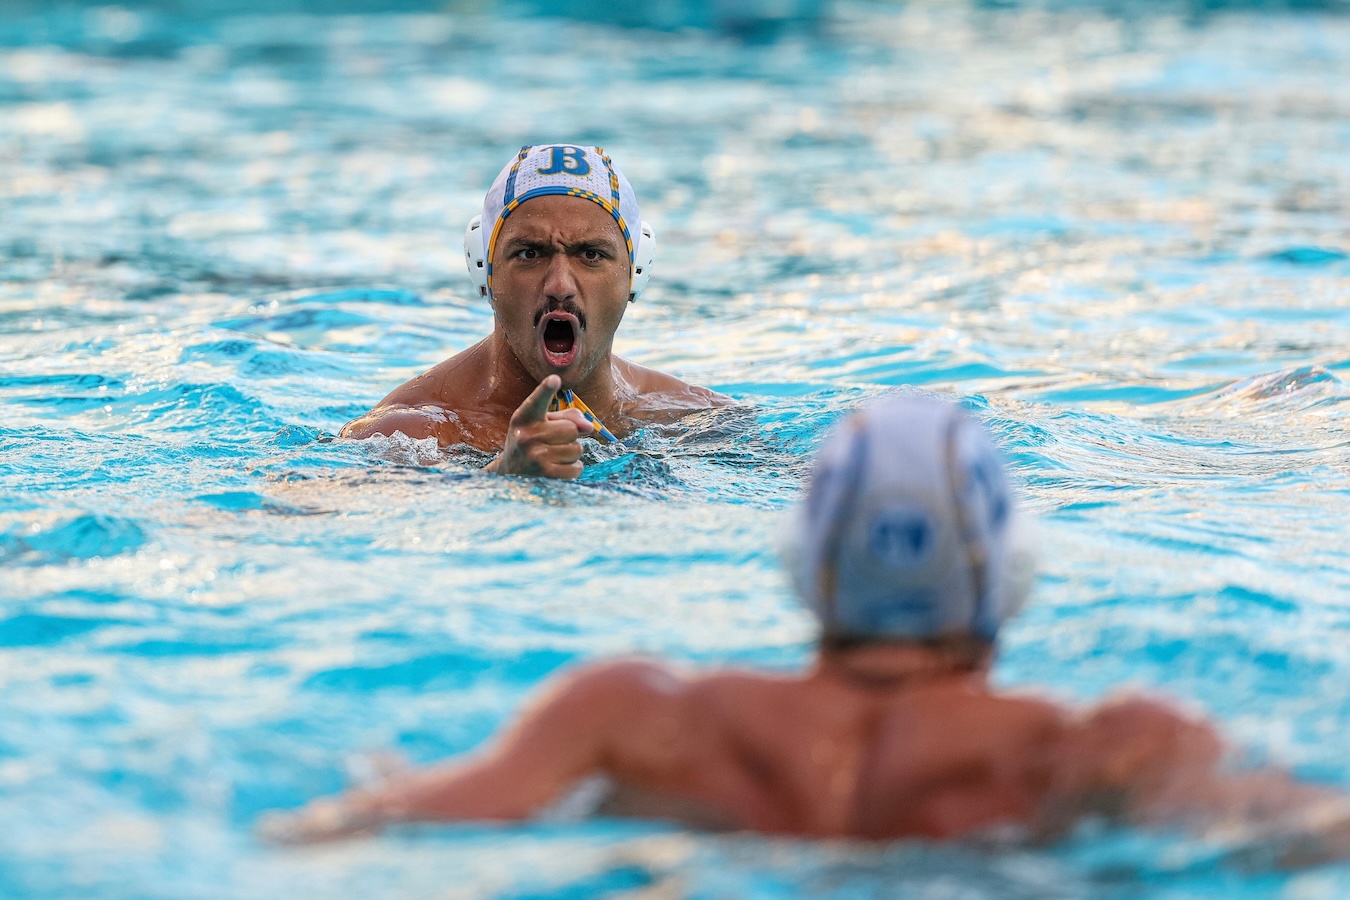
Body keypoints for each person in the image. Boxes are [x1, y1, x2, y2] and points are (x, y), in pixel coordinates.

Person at [262, 396, 1350, 864]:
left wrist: (378, 788)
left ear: (806, 564)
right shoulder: (1098, 749)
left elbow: (368, 828)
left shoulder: (636, 715)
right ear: (1007, 575)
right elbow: (1301, 830)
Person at [340, 143, 730, 478]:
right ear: (485, 270)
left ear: (635, 274)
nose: (559, 284)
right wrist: (499, 476)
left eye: (591, 255)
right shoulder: (406, 435)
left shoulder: (693, 417)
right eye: (529, 254)